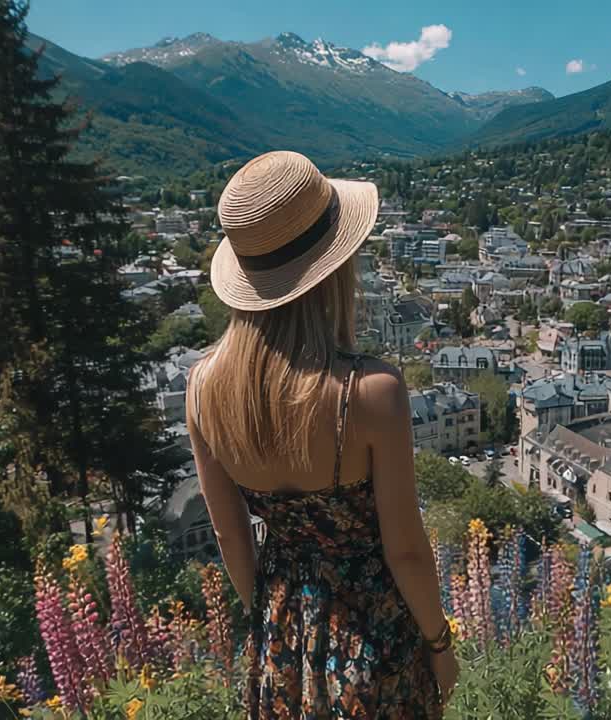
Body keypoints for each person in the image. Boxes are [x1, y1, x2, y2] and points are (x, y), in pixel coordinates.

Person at [187, 151, 458, 718]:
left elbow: (232, 537)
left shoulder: (204, 390)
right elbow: (405, 550)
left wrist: (276, 621)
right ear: (334, 268)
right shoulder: (370, 392)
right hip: (374, 636)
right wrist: (439, 642)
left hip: (281, 631)